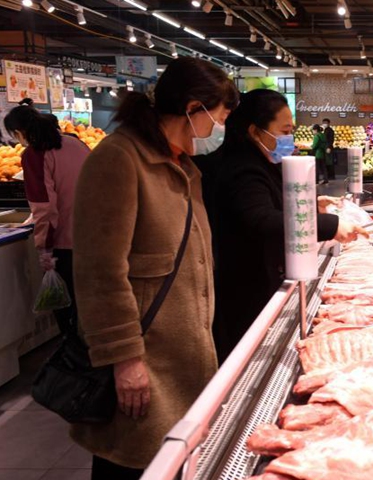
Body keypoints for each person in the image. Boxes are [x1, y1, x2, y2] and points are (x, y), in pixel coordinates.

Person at [71, 57, 238, 479]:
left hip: (183, 356)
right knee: (133, 464)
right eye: (220, 118)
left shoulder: (180, 164)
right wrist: (124, 359)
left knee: (173, 462)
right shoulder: (120, 159)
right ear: (194, 109)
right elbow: (99, 271)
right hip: (145, 363)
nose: (221, 129)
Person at [200, 90, 367, 363]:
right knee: (247, 358)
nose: (289, 137)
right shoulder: (242, 168)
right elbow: (261, 218)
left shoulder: (262, 161)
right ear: (255, 131)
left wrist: (311, 204)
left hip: (263, 276)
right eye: (285, 130)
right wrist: (330, 225)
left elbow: (274, 202)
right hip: (245, 287)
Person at [3, 105, 90, 335]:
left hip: (66, 242)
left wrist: (44, 249)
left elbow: (44, 207)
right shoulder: (75, 143)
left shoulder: (35, 155)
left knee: (69, 312)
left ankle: (74, 360)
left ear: (19, 132)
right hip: (97, 237)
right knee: (93, 308)